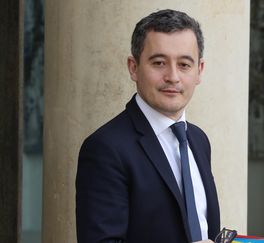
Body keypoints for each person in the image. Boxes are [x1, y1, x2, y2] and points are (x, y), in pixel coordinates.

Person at [75, 9, 220, 243]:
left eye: (184, 64)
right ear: (134, 67)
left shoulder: (198, 140)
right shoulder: (105, 148)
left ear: (199, 71)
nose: (173, 76)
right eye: (159, 63)